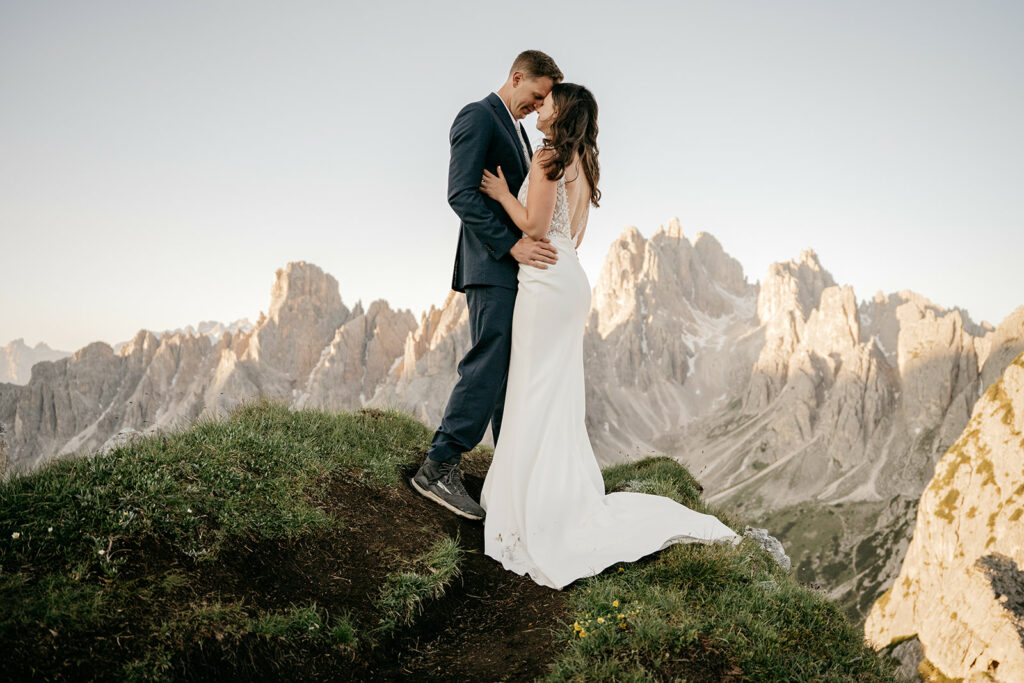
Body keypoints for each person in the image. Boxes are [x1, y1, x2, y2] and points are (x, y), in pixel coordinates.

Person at [476, 82, 743, 590]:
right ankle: (549, 492)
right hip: (568, 277)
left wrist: (503, 194)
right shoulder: (582, 162)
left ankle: (530, 500)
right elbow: (571, 234)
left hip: (545, 278)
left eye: (548, 101)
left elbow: (535, 228)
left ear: (561, 111)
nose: (541, 105)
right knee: (553, 388)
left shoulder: (548, 156)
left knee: (532, 384)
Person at [410, 50, 564, 519]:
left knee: (508, 371)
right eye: (535, 96)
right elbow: (460, 193)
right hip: (490, 265)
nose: (536, 108)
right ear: (517, 77)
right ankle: (438, 465)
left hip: (512, 271)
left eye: (543, 103)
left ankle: (508, 478)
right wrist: (511, 245)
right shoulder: (477, 116)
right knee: (488, 361)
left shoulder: (517, 130)